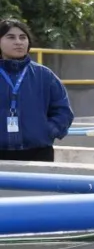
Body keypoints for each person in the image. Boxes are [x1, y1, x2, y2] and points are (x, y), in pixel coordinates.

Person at [0, 18, 74, 162]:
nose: (18, 42)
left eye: (23, 37)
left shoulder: (44, 75)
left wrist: (47, 131)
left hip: (38, 152)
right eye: (11, 37)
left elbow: (63, 111)